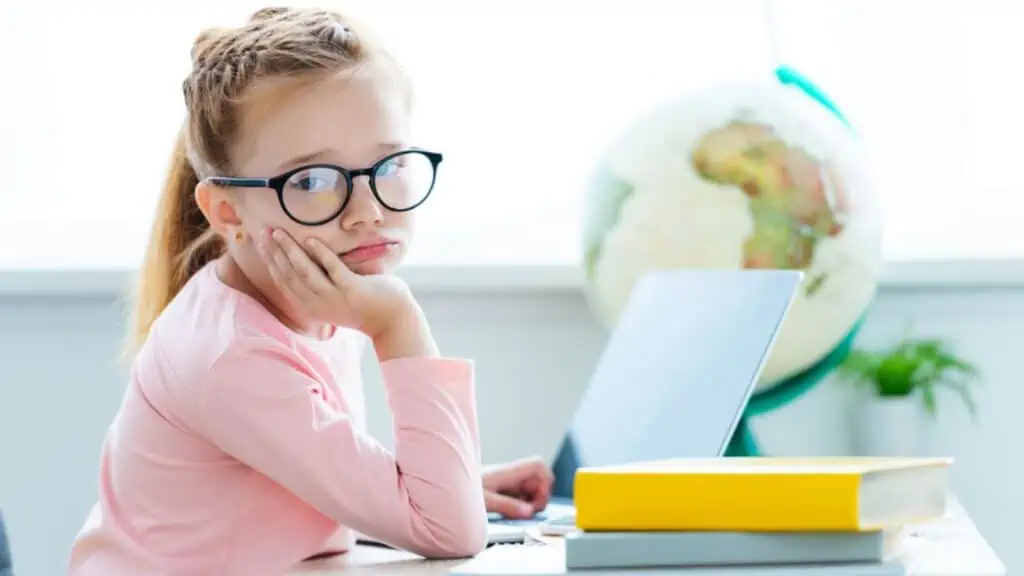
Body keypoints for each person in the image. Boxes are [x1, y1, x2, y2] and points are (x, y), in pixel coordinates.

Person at [68, 7, 552, 575]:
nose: (368, 213)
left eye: (389, 164)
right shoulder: (233, 357)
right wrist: (397, 322)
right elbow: (449, 532)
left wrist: (442, 485)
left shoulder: (313, 303)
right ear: (228, 211)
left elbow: (298, 496)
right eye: (313, 182)